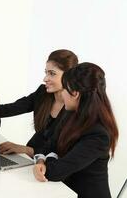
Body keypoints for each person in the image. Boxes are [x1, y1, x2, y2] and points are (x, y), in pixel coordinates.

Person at [33, 63, 119, 198]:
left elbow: (56, 171)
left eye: (64, 90)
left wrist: (48, 162)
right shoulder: (70, 113)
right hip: (64, 192)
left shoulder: (98, 134)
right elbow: (48, 145)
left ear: (75, 94)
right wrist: (40, 161)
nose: (61, 94)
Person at [0, 50, 78, 157]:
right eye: (46, 72)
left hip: (52, 164)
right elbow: (2, 110)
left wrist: (25, 149)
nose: (45, 79)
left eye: (52, 74)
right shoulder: (42, 93)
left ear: (69, 76)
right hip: (31, 158)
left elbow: (63, 152)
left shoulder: (77, 106)